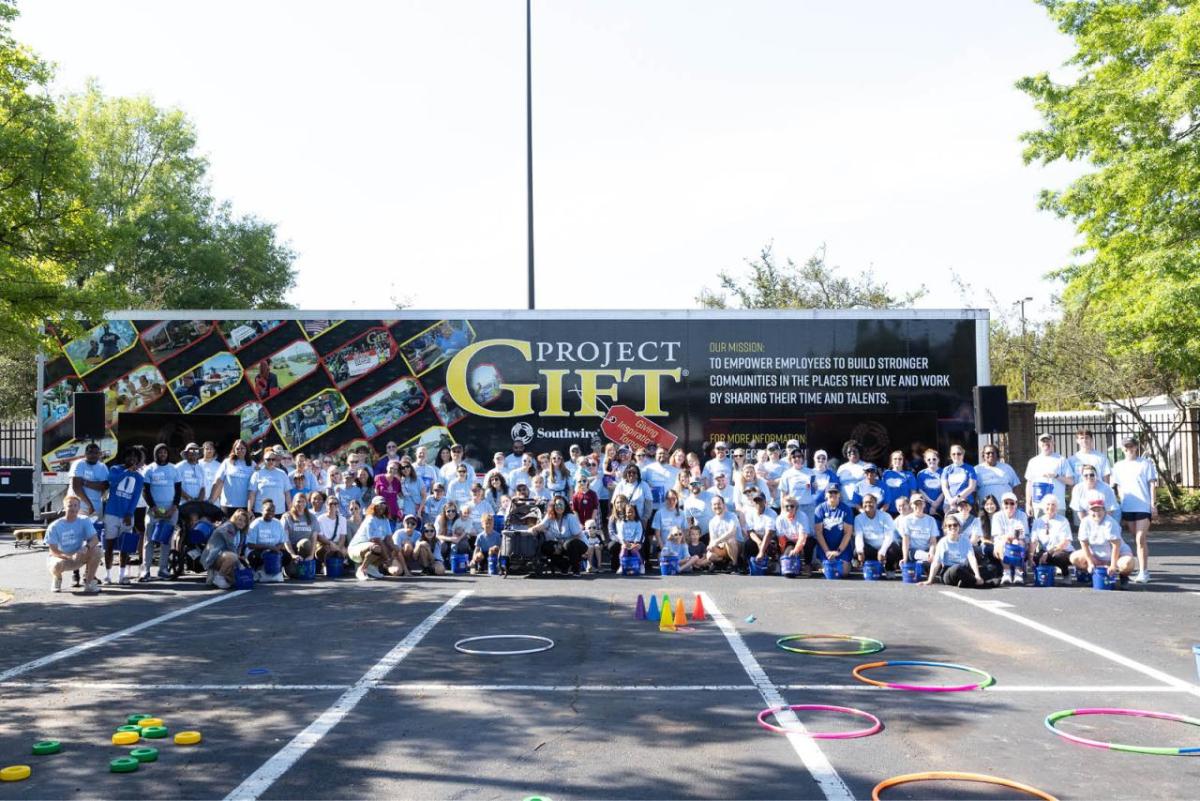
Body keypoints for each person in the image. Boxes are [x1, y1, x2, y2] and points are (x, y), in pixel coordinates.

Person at [1110, 437, 1158, 584]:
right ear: (1122, 449)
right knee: (1136, 538)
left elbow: (1152, 485)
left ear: (1136, 447)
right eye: (1126, 447)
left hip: (1143, 506)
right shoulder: (1118, 466)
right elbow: (1116, 485)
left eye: (1131, 446)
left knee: (1140, 539)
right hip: (1127, 506)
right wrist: (1120, 500)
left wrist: (1153, 505)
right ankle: (1142, 569)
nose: (1129, 449)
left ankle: (1144, 571)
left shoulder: (1145, 464)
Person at [1070, 493, 1136, 581]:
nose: (1096, 513)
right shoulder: (1085, 522)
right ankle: (1091, 573)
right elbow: (1084, 544)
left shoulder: (1110, 523)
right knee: (1074, 557)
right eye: (1093, 510)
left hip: (1118, 553)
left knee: (1127, 563)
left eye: (1099, 509)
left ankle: (1124, 577)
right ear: (1088, 511)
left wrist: (1113, 565)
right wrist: (1090, 563)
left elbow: (1116, 546)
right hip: (1096, 555)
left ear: (1104, 510)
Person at [102, 446, 144, 585]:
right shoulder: (115, 469)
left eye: (135, 457)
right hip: (112, 513)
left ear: (138, 460)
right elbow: (112, 483)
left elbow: (135, 497)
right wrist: (126, 472)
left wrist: (129, 513)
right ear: (124, 458)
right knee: (109, 545)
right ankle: (107, 574)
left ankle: (122, 575)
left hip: (127, 515)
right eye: (129, 456)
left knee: (125, 546)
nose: (132, 459)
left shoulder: (139, 477)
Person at [46, 494, 102, 593]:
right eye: (70, 505)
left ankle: (89, 583)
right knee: (56, 565)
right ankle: (57, 578)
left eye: (76, 505)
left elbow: (95, 539)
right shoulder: (54, 526)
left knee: (97, 551)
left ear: (79, 507)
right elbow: (53, 550)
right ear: (64, 507)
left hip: (79, 556)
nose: (73, 508)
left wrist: (86, 547)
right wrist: (67, 556)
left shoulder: (84, 520)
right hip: (61, 557)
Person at [141, 443, 181, 581]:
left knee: (166, 541)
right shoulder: (149, 469)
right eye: (160, 452)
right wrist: (153, 507)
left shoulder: (173, 469)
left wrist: (173, 508)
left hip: (171, 510)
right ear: (155, 454)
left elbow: (178, 490)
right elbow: (145, 491)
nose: (162, 455)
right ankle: (145, 570)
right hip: (154, 510)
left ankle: (163, 569)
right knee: (149, 540)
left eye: (165, 452)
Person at [921, 513, 985, 588]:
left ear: (959, 527)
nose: (953, 527)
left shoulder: (965, 540)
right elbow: (936, 562)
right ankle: (976, 582)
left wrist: (977, 575)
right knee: (957, 568)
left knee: (990, 569)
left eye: (955, 525)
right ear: (945, 528)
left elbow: (971, 558)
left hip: (963, 568)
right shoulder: (943, 542)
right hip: (949, 572)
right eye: (949, 526)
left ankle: (967, 582)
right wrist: (930, 580)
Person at [528, 496, 587, 574]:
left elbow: (578, 535)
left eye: (561, 504)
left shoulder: (570, 517)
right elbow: (542, 525)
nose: (559, 507)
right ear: (553, 506)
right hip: (561, 544)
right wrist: (533, 529)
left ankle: (576, 569)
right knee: (546, 546)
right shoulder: (550, 515)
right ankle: (564, 566)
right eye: (557, 505)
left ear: (565, 506)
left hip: (577, 544)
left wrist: (561, 544)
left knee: (569, 544)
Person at [1025, 433, 1074, 518]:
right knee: (1040, 530)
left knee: (1058, 530)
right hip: (1039, 505)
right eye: (1043, 442)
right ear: (1039, 444)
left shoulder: (1061, 460)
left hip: (1057, 505)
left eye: (1048, 441)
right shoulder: (1033, 461)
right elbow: (1029, 484)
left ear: (1053, 443)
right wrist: (1028, 504)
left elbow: (1071, 481)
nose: (1046, 444)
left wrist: (1056, 476)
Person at [348, 496, 397, 580]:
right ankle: (361, 569)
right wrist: (387, 559)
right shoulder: (370, 519)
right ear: (373, 506)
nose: (381, 506)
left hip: (371, 546)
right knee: (377, 548)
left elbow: (389, 539)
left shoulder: (385, 520)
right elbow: (376, 540)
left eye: (383, 504)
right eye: (378, 505)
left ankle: (372, 567)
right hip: (355, 549)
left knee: (393, 547)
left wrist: (395, 550)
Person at [201, 508, 251, 589]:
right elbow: (231, 546)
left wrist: (238, 566)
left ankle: (216, 575)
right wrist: (239, 564)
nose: (242, 523)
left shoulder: (241, 533)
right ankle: (219, 577)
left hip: (227, 556)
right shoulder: (229, 527)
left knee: (234, 582)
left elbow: (238, 549)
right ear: (234, 519)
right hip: (213, 557)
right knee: (233, 557)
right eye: (240, 520)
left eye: (244, 521)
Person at [854, 493, 900, 575]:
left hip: (885, 548)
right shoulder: (858, 518)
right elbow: (858, 537)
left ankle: (889, 568)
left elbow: (889, 536)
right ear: (862, 504)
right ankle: (871, 566)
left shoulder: (886, 516)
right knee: (856, 551)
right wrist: (860, 552)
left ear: (876, 504)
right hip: (870, 548)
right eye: (865, 502)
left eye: (871, 502)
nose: (868, 504)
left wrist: (882, 551)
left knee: (894, 549)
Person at [247, 499, 289, 582]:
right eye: (268, 510)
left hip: (274, 550)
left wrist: (276, 549)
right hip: (258, 550)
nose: (270, 513)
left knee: (287, 556)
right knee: (254, 557)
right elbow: (250, 544)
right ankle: (257, 571)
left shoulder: (278, 523)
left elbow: (282, 541)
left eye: (273, 511)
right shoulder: (256, 524)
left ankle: (276, 570)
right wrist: (268, 547)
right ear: (262, 511)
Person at [1031, 495, 1074, 578]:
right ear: (1043, 506)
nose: (1050, 507)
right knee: (1034, 557)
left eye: (1053, 505)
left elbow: (1065, 543)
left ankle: (1066, 574)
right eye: (1048, 504)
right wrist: (1030, 556)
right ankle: (1043, 576)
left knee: (1057, 556)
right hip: (1046, 551)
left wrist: (1048, 553)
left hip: (1063, 551)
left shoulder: (1063, 520)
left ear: (1057, 507)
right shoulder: (1038, 522)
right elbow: (1034, 541)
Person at [209, 439, 256, 514]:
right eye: (237, 448)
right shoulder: (227, 462)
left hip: (245, 505)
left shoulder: (252, 464)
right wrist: (211, 499)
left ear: (246, 449)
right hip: (227, 505)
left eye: (242, 448)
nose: (240, 450)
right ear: (234, 449)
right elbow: (218, 481)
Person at [994, 491, 1030, 585]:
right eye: (1006, 503)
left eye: (1012, 503)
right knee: (1004, 542)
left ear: (1016, 504)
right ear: (1002, 504)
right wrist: (1009, 537)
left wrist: (1013, 537)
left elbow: (1021, 534)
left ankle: (1018, 573)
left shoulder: (1022, 515)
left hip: (1018, 541)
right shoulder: (997, 516)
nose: (1009, 505)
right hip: (1001, 543)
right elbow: (999, 535)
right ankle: (1007, 573)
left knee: (1017, 542)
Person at [280, 493, 321, 575]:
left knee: (305, 542)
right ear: (293, 502)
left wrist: (312, 555)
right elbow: (285, 539)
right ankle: (292, 564)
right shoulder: (287, 516)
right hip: (291, 549)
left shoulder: (312, 517)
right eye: (298, 501)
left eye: (303, 501)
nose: (301, 504)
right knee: (292, 573)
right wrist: (292, 555)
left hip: (305, 549)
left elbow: (314, 539)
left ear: (306, 503)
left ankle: (304, 562)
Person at [69, 442, 109, 521]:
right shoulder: (79, 464)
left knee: (95, 532)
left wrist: (84, 482)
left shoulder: (102, 467)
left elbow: (104, 486)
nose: (93, 455)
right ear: (85, 454)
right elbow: (76, 487)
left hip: (96, 507)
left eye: (96, 453)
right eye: (90, 452)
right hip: (78, 507)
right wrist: (89, 505)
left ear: (99, 454)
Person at [897, 492, 938, 570]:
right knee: (931, 559)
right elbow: (905, 541)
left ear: (924, 505)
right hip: (913, 552)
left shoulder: (931, 520)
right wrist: (905, 558)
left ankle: (926, 563)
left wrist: (931, 553)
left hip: (927, 550)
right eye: (916, 504)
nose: (918, 506)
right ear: (911, 505)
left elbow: (933, 541)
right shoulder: (906, 520)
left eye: (920, 503)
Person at [974, 443, 1020, 509]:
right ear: (983, 455)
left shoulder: (1007, 468)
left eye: (993, 453)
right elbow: (973, 490)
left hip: (1006, 508)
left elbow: (1016, 486)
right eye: (988, 453)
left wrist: (1016, 503)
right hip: (986, 509)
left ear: (997, 454)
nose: (990, 455)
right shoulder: (977, 469)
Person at [780, 448, 817, 528]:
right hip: (793, 507)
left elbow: (814, 491)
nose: (797, 459)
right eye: (794, 457)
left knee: (810, 532)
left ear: (803, 458)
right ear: (790, 459)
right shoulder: (786, 474)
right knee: (795, 531)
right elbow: (783, 494)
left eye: (799, 456)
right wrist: (783, 510)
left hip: (809, 507)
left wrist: (815, 487)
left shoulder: (811, 472)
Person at [776, 496, 812, 575]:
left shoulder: (802, 516)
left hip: (803, 539)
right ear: (783, 507)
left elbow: (803, 537)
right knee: (787, 552)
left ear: (796, 507)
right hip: (790, 541)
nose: (789, 508)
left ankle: (807, 566)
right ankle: (781, 563)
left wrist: (796, 550)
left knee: (809, 542)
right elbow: (781, 539)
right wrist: (784, 553)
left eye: (792, 506)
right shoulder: (779, 519)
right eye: (786, 506)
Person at [705, 495, 742, 570]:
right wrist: (711, 547)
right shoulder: (712, 522)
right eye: (714, 504)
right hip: (722, 547)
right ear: (712, 507)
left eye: (719, 504)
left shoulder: (732, 516)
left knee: (730, 540)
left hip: (737, 545)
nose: (717, 506)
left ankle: (735, 565)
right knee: (710, 555)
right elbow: (712, 539)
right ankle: (724, 562)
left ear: (723, 505)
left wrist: (717, 541)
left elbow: (732, 532)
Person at [247, 450, 289, 515]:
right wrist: (249, 510)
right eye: (268, 459)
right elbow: (252, 494)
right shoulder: (257, 474)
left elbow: (287, 494)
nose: (271, 461)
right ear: (264, 460)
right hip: (261, 511)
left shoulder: (282, 473)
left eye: (273, 459)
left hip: (279, 511)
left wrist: (290, 509)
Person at [315, 490, 348, 568]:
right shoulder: (320, 519)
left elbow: (342, 537)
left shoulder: (342, 519)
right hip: (324, 544)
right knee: (327, 550)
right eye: (330, 504)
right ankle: (326, 566)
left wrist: (338, 547)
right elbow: (320, 537)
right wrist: (330, 544)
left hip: (337, 543)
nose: (333, 505)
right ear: (326, 506)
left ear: (338, 506)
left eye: (335, 504)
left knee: (343, 550)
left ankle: (338, 567)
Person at [742, 492, 778, 565]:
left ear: (765, 502)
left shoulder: (772, 513)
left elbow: (769, 533)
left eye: (760, 501)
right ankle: (747, 565)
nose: (758, 503)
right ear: (753, 503)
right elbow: (750, 532)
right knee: (747, 544)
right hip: (757, 538)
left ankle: (773, 563)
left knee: (772, 545)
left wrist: (761, 551)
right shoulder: (749, 513)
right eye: (756, 501)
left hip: (769, 538)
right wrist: (759, 542)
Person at [836, 441, 874, 508]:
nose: (852, 453)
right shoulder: (841, 468)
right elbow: (836, 485)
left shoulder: (866, 466)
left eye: (854, 451)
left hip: (862, 505)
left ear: (859, 452)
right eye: (849, 452)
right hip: (844, 505)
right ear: (846, 454)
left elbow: (873, 484)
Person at [881, 450, 916, 516]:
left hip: (905, 510)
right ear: (891, 461)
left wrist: (911, 508)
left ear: (903, 461)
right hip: (889, 509)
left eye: (900, 459)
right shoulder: (886, 474)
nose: (897, 461)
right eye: (895, 459)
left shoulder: (909, 475)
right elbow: (883, 491)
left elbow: (913, 493)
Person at [614, 504, 645, 573]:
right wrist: (624, 542)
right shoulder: (622, 523)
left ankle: (641, 565)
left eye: (632, 512)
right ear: (625, 513)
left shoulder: (638, 522)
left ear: (635, 512)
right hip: (625, 542)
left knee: (634, 549)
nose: (630, 514)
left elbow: (639, 533)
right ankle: (622, 565)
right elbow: (620, 533)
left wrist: (635, 542)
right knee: (624, 549)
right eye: (628, 512)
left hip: (635, 542)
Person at [916, 449, 945, 517]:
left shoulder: (944, 472)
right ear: (925, 460)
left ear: (938, 460)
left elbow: (945, 489)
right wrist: (931, 502)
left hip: (941, 506)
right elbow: (920, 490)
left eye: (934, 459)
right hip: (925, 507)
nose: (931, 461)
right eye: (929, 459)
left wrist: (936, 503)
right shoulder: (921, 474)